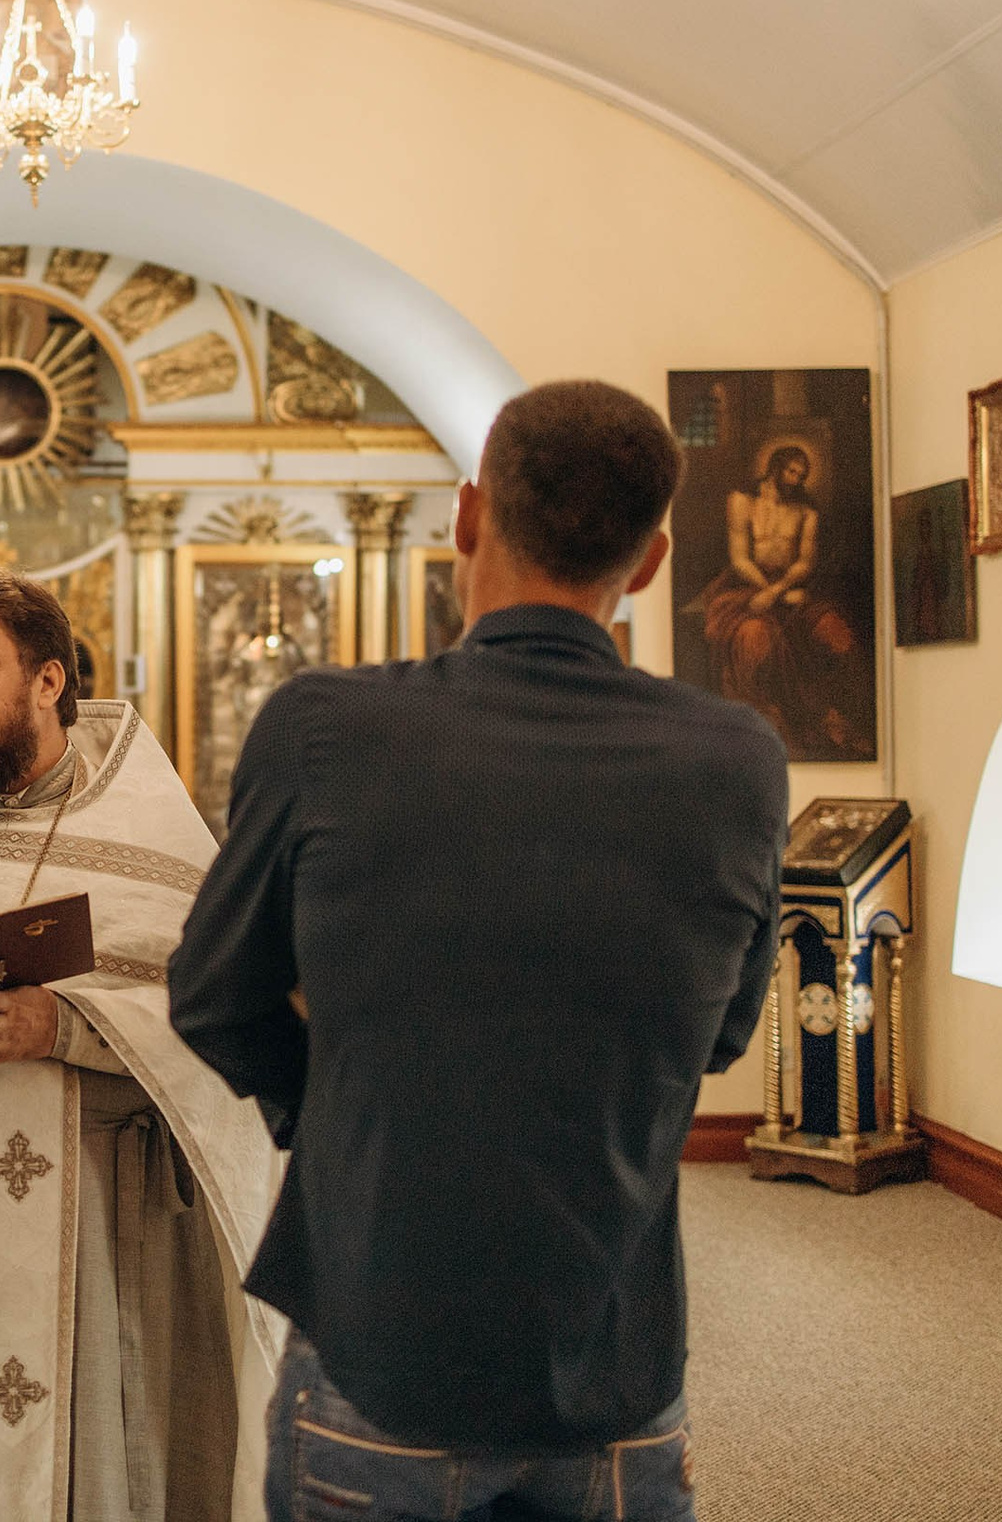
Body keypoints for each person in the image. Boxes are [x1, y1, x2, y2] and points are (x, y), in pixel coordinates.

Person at [170, 380, 788, 1522]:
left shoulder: (321, 728)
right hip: (613, 1362)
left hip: (378, 1341)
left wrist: (343, 1108)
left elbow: (212, 994)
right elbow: (722, 1033)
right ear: (648, 562)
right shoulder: (736, 758)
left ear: (466, 517)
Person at [0, 570, 280, 1522]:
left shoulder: (159, 849)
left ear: (47, 681)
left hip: (102, 1248)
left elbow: (224, 1033)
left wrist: (68, 1023)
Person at [699, 442, 861, 755]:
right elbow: (739, 557)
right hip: (744, 586)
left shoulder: (806, 511)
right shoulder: (741, 501)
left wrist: (777, 591)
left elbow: (805, 562)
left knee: (834, 629)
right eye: (792, 471)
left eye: (802, 475)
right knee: (756, 635)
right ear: (776, 466)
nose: (797, 480)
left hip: (788, 588)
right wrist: (766, 590)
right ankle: (774, 721)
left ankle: (837, 715)